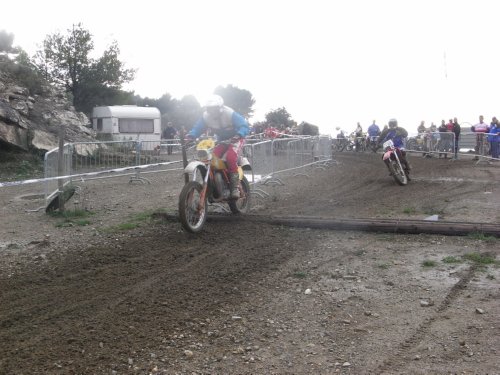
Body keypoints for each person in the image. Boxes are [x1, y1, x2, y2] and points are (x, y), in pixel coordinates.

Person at [186, 94, 250, 198]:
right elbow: (197, 127)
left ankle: (234, 189)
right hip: (222, 140)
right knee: (212, 158)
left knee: (230, 157)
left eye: (214, 109)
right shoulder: (206, 117)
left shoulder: (229, 113)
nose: (212, 111)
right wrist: (191, 136)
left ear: (220, 108)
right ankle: (217, 183)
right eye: (210, 109)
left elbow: (244, 125)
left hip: (236, 139)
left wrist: (239, 134)